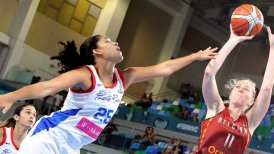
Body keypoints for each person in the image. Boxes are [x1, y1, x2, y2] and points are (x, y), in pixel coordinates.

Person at [0, 35, 217, 153]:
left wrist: (194, 56)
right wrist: (11, 96)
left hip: (72, 147)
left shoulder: (126, 77)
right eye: (107, 41)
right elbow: (45, 88)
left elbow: (164, 68)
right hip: (48, 139)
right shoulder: (86, 75)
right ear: (97, 52)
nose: (115, 42)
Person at [195, 26, 274, 153]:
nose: (241, 89)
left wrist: (273, 48)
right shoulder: (216, 108)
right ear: (230, 95)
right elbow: (209, 73)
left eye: (246, 88)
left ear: (251, 101)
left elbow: (266, 88)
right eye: (237, 86)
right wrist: (232, 40)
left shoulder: (250, 121)